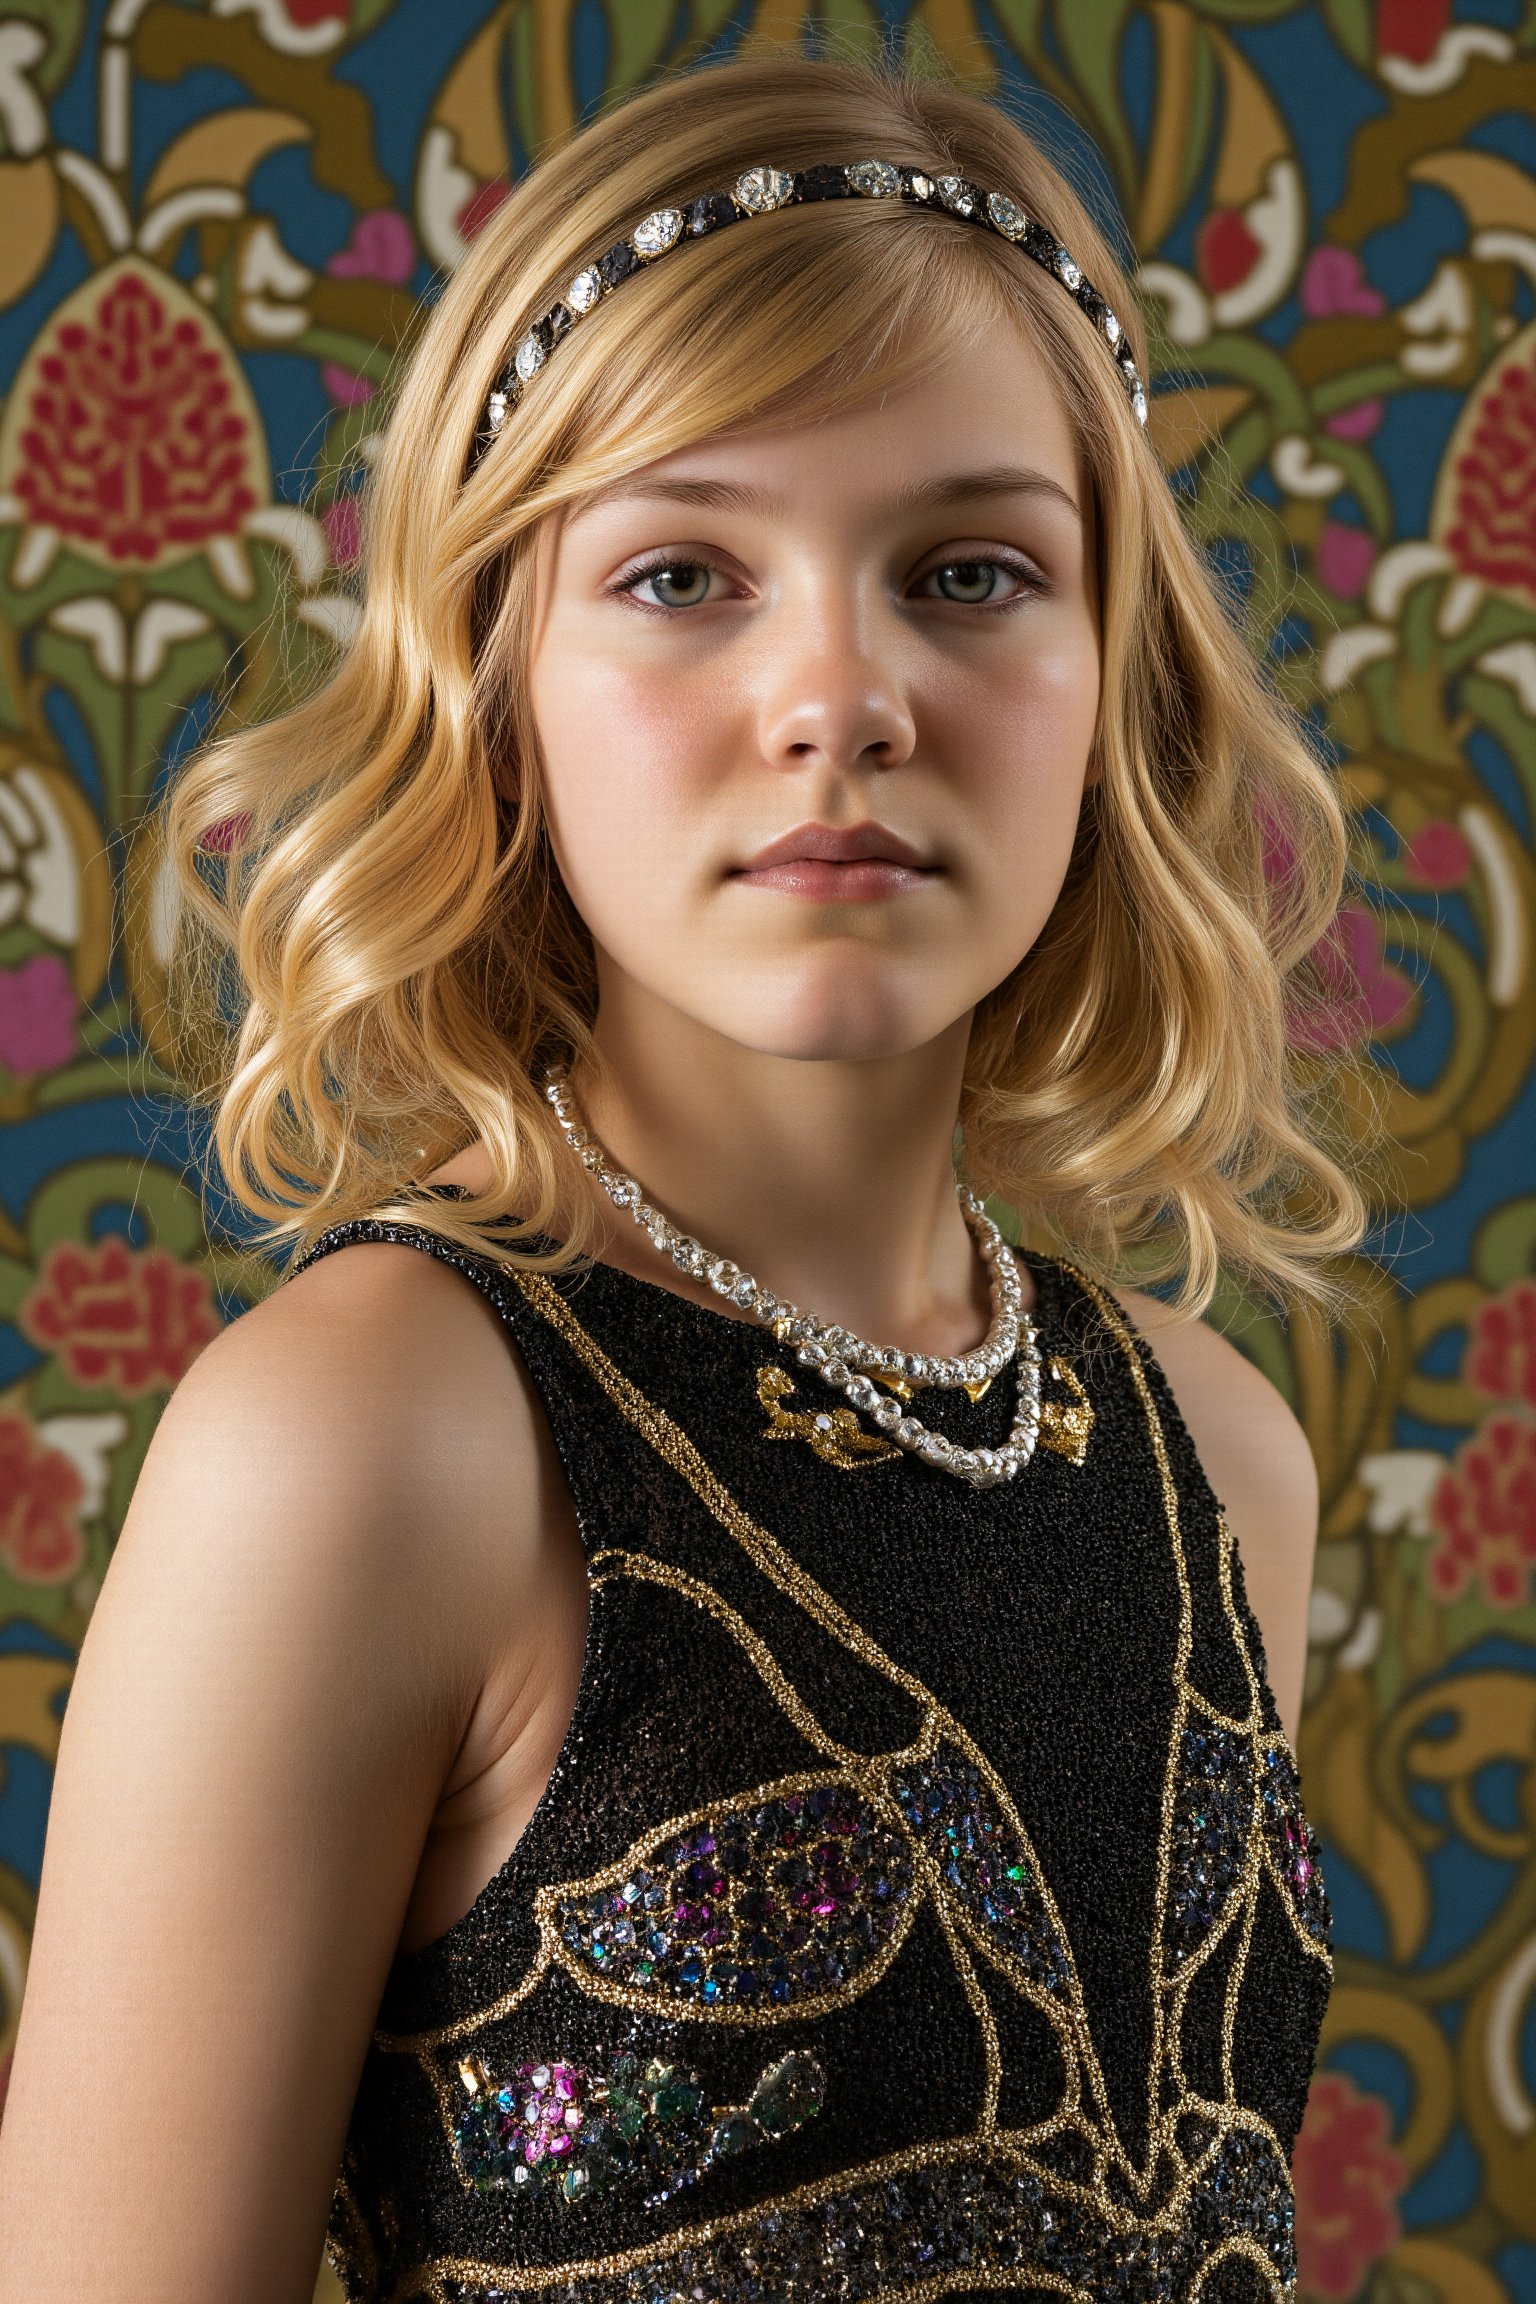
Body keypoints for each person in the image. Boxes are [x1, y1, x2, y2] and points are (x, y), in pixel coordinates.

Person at [0, 48, 1369, 2304]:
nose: (839, 696)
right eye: (679, 571)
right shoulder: (372, 1441)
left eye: (966, 569)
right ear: (498, 677)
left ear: (1115, 675)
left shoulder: (1219, 1451)